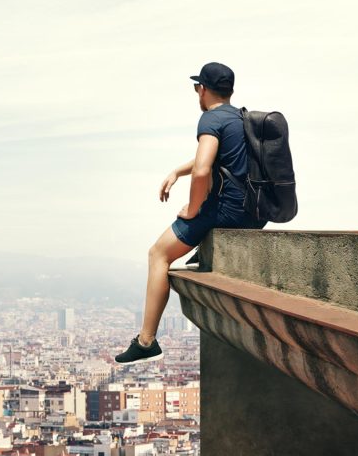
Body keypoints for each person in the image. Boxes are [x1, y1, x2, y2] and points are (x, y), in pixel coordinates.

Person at [114, 62, 266, 364]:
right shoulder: (241, 118)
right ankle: (200, 244)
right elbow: (215, 159)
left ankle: (146, 340)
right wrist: (176, 172)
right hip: (255, 213)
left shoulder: (211, 119)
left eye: (198, 87)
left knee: (158, 253)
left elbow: (202, 169)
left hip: (227, 212)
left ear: (203, 89)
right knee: (202, 209)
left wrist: (193, 209)